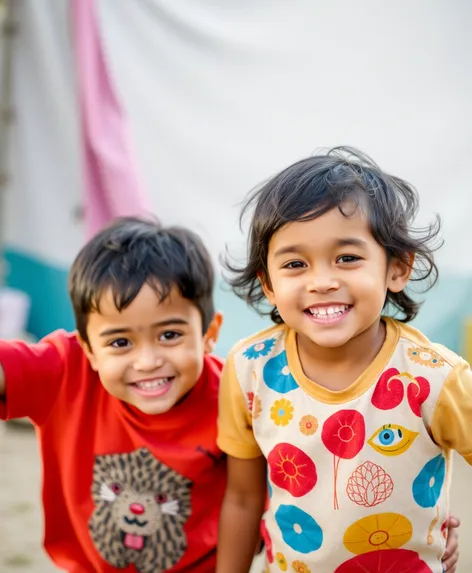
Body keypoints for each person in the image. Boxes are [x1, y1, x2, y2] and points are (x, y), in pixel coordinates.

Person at [216, 147, 465, 573]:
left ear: (397, 268)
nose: (322, 282)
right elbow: (241, 498)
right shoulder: (249, 371)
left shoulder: (435, 377)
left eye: (347, 258)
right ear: (269, 284)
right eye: (295, 264)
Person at [0, 217, 226, 573]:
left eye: (169, 335)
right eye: (120, 343)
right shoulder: (65, 370)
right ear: (88, 348)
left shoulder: (235, 394)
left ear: (209, 334)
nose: (148, 361)